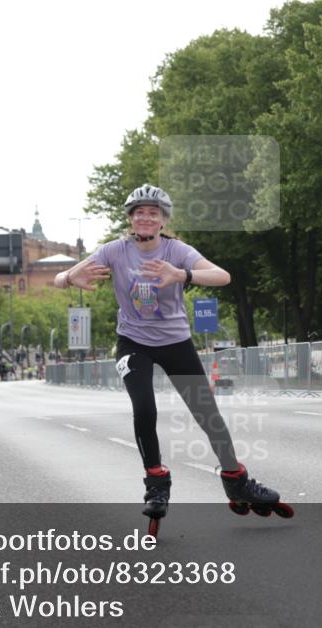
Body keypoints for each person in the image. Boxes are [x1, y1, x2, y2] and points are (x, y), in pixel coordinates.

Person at [53, 183, 293, 536]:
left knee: (207, 414)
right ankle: (156, 482)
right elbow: (60, 279)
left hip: (176, 342)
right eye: (139, 212)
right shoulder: (114, 251)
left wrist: (182, 274)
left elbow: (223, 276)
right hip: (133, 343)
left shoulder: (176, 250)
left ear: (163, 219)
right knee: (144, 408)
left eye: (153, 212)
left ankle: (236, 479)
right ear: (131, 219)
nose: (145, 217)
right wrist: (69, 276)